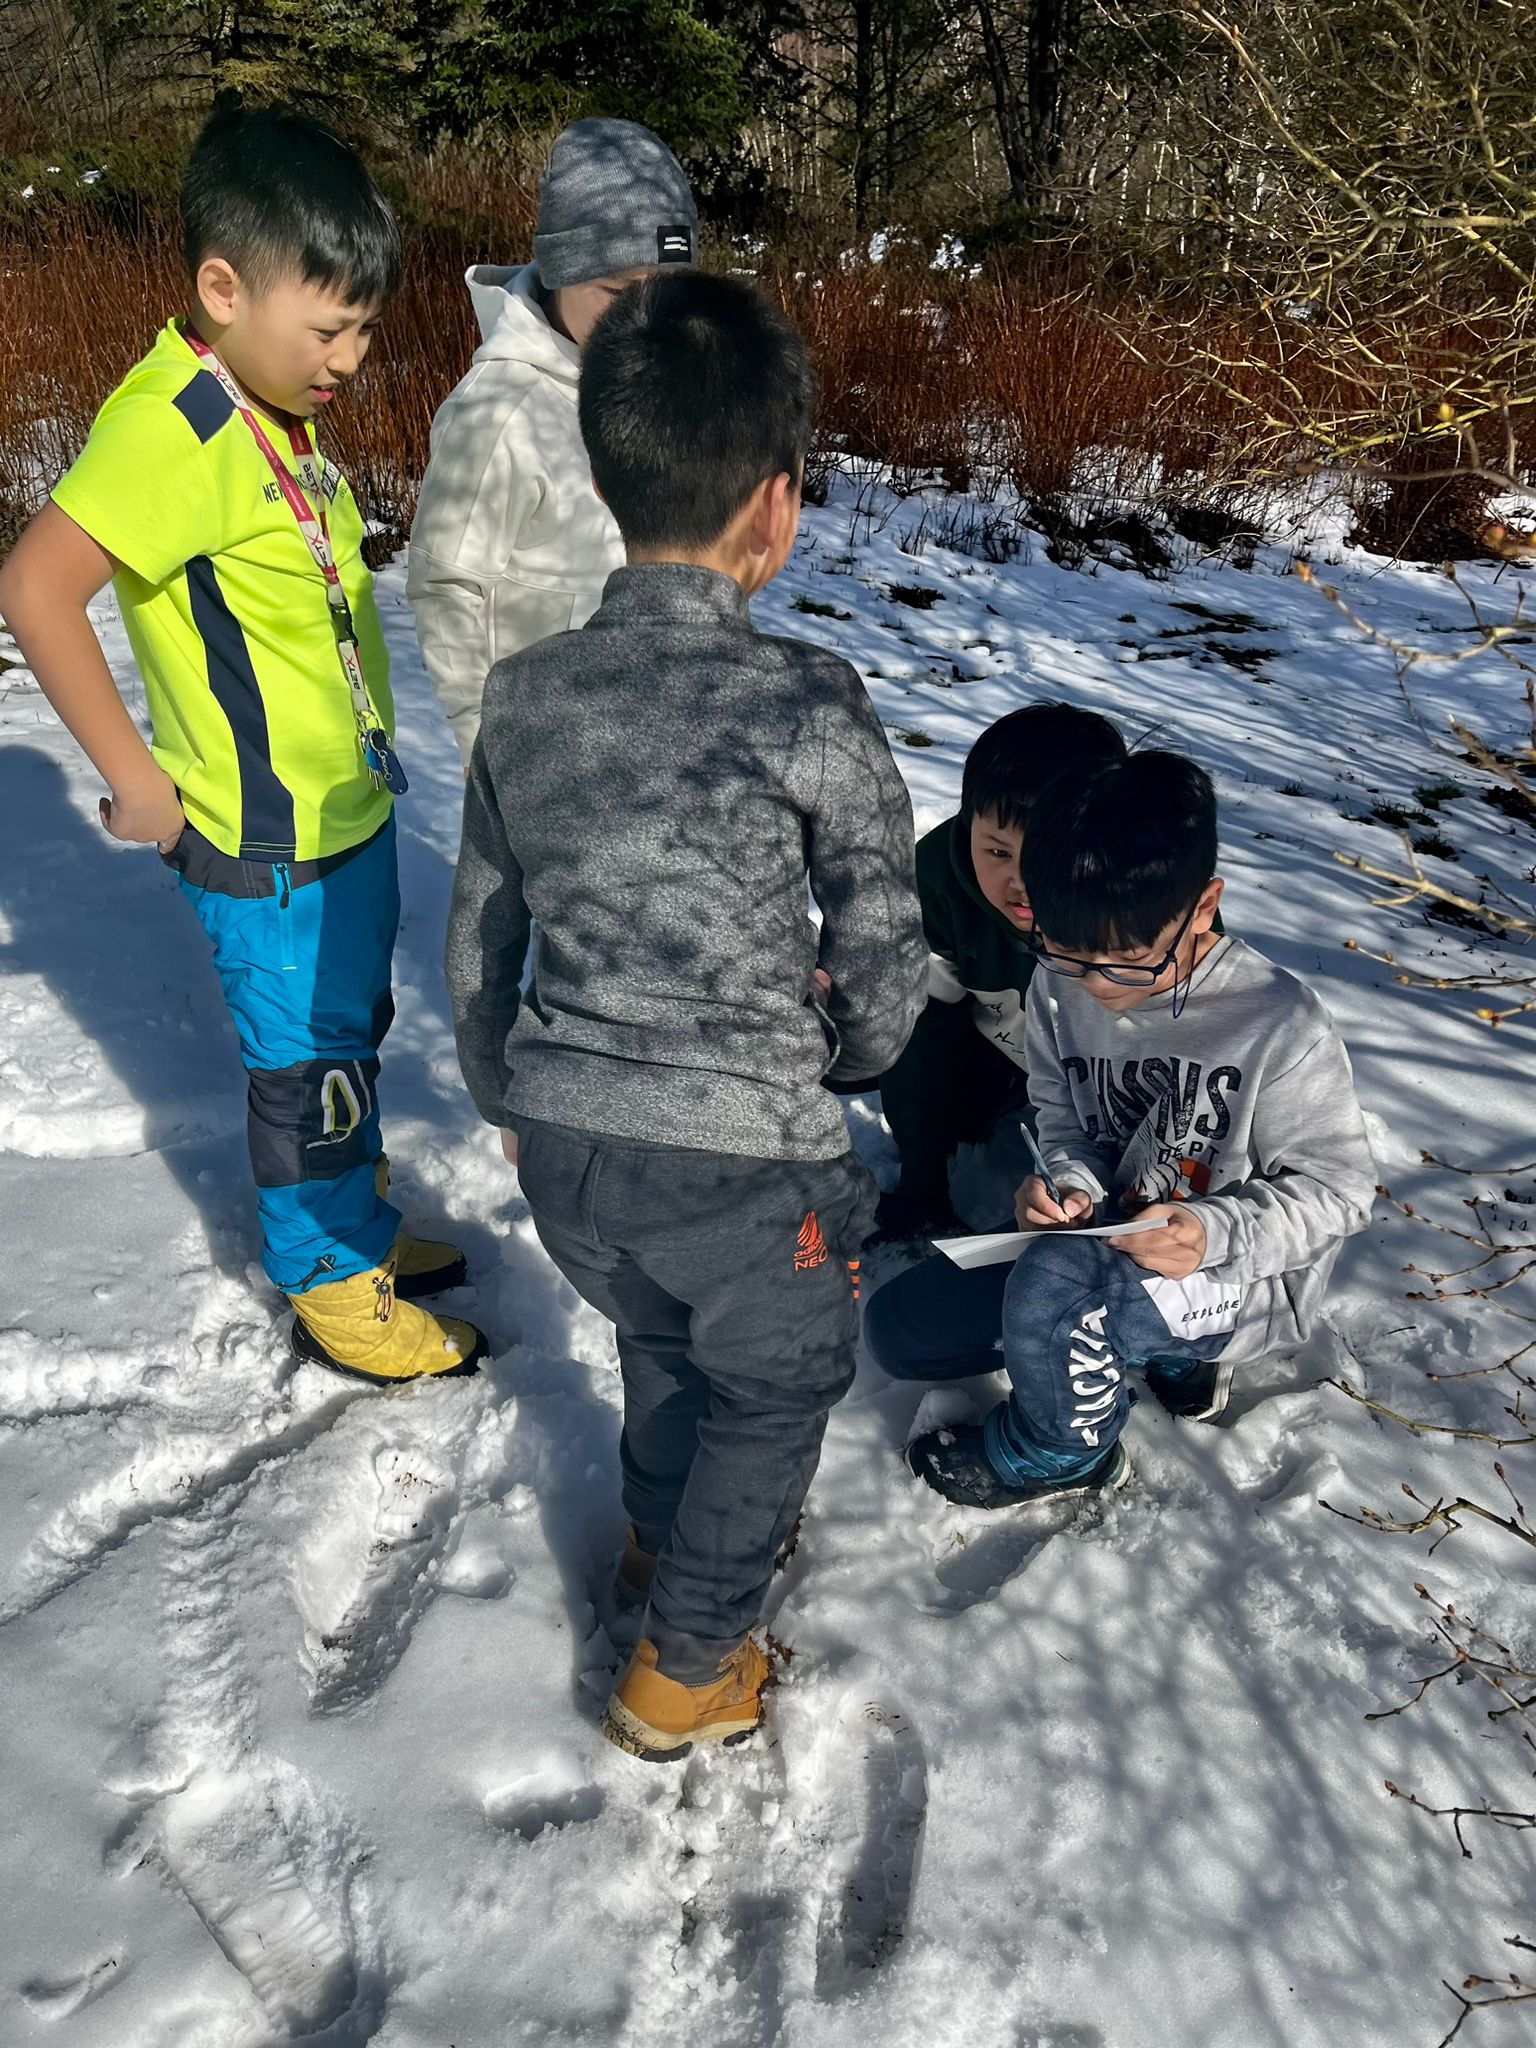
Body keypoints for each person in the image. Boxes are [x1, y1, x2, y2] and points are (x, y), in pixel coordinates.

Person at [445, 270, 926, 1758]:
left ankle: (661, 1542)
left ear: (608, 479)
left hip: (575, 1159)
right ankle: (688, 1666)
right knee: (777, 1380)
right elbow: (883, 936)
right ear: (777, 506)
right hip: (745, 1164)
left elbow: (481, 933)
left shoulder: (527, 696)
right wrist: (853, 1054)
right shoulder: (808, 701)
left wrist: (507, 1092)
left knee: (662, 1338)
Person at [0, 107, 484, 1384]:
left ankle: (357, 1219)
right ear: (224, 290)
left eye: (365, 330)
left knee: (347, 1033)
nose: (353, 359)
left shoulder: (266, 402)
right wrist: (139, 782)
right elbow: (36, 586)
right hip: (267, 850)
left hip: (344, 818)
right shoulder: (177, 426)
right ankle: (330, 1281)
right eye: (330, 330)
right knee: (303, 1064)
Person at [866, 749, 1375, 1507]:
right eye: (1068, 956)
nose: (1098, 987)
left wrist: (1211, 1234)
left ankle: (1065, 1452)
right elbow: (1065, 1118)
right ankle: (1153, 1342)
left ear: (1202, 907)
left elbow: (1340, 1194)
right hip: (1112, 1237)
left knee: (1055, 1291)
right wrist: (1066, 1183)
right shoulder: (1058, 983)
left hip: (1243, 1273)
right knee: (903, 1332)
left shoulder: (1279, 1025)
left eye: (1128, 962)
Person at [408, 118, 698, 768]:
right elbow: (445, 586)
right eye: (618, 291)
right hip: (541, 762)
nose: (646, 316)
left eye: (666, 289)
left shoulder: (659, 382)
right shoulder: (499, 410)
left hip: (645, 748)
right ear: (563, 272)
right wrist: (494, 762)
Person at [870, 702, 1126, 1242]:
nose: (1023, 882)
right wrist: (922, 1178)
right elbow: (921, 1036)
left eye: (1050, 856)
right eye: (998, 852)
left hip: (1112, 1073)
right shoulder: (935, 882)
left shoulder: (1149, 894)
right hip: (996, 1047)